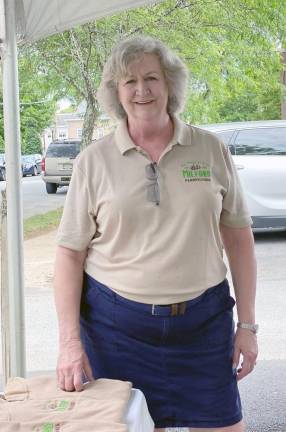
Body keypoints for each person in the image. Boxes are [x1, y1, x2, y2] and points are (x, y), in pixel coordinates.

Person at [54, 35, 258, 432]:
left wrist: (247, 327)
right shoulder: (92, 162)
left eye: (152, 78)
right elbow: (69, 254)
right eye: (129, 81)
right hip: (116, 330)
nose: (141, 90)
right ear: (117, 91)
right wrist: (69, 343)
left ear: (171, 84)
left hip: (202, 326)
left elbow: (239, 238)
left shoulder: (211, 150)